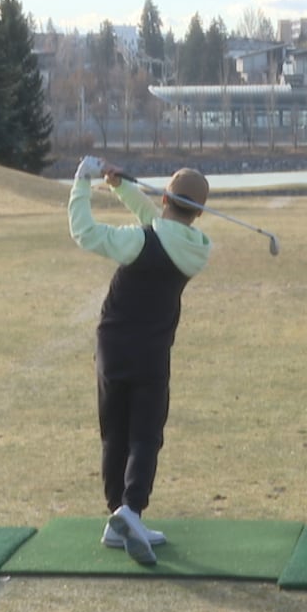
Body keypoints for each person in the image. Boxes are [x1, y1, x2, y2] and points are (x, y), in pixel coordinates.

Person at [68, 157, 212, 565]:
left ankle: (123, 513)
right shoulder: (198, 251)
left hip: (113, 345)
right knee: (145, 435)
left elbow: (85, 232)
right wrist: (122, 189)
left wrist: (83, 182)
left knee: (115, 431)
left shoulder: (138, 241)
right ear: (199, 212)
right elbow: (164, 227)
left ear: (165, 196)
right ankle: (127, 513)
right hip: (152, 350)